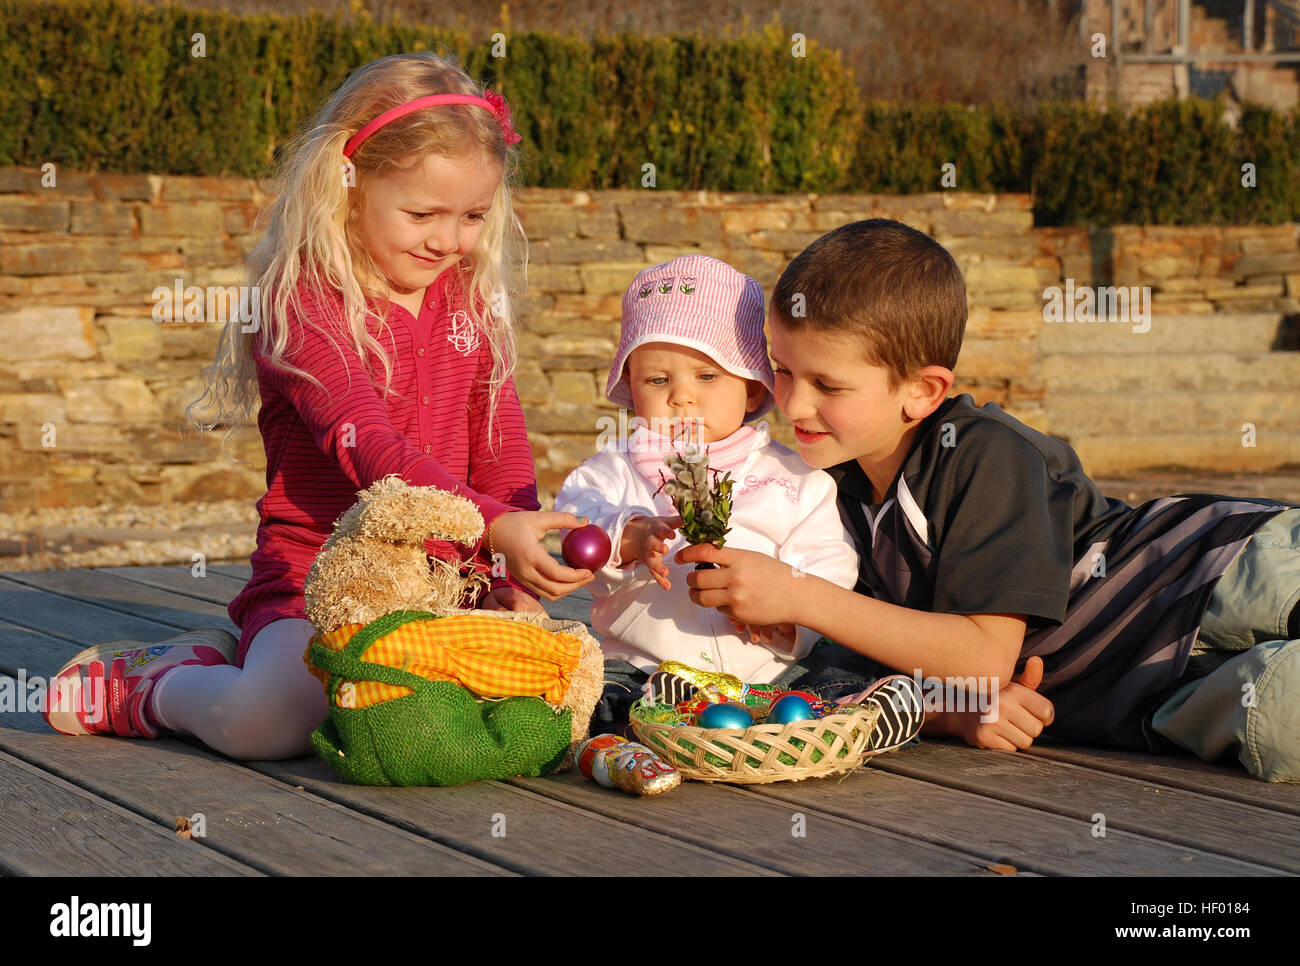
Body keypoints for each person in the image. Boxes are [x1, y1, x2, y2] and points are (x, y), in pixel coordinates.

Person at [45, 52, 592, 759]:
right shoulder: (300, 303)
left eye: (472, 216)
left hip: (448, 583)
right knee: (276, 722)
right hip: (317, 581)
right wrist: (492, 527)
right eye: (423, 213)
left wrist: (512, 552)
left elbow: (498, 434)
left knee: (539, 695)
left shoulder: (467, 298)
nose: (448, 240)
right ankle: (154, 685)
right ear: (347, 185)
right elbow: (368, 450)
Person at [676, 218, 1300, 782]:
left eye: (826, 384)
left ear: (921, 391)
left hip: (1209, 569)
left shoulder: (981, 454)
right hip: (1146, 694)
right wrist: (958, 713)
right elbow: (864, 676)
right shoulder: (824, 496)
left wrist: (802, 596)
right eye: (782, 370)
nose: (791, 403)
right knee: (1278, 728)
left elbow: (983, 652)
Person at [555, 255, 923, 741]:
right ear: (630, 387)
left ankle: (860, 712)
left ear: (751, 389)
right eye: (658, 380)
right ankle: (655, 707)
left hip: (767, 673)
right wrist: (628, 533)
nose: (682, 397)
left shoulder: (793, 476)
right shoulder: (612, 469)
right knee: (601, 684)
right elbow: (574, 524)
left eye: (707, 377)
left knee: (840, 667)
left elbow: (827, 563)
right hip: (649, 662)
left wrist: (787, 623)